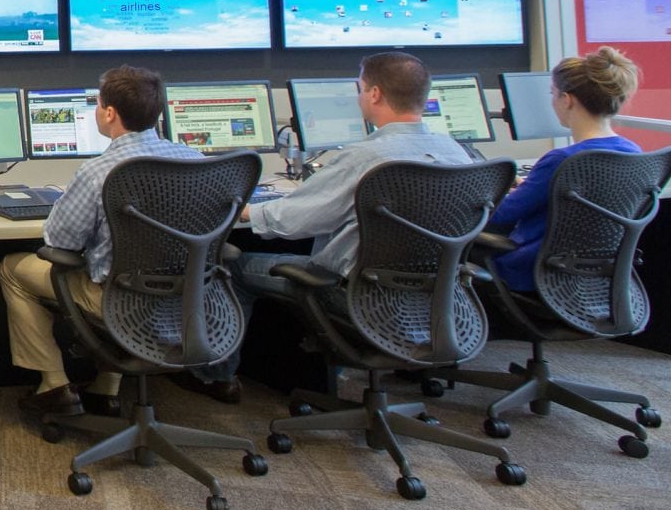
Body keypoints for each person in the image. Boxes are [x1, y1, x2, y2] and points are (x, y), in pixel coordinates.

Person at [186, 50, 471, 393]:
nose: (360, 95)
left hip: (354, 296)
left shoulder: (365, 157)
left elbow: (291, 221)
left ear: (375, 94)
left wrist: (243, 209)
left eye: (361, 88)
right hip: (433, 300)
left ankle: (216, 377)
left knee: (230, 267)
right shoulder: (457, 153)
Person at [0, 66, 199, 421]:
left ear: (109, 113)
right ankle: (105, 389)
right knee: (127, 269)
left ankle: (55, 385)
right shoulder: (195, 162)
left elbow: (60, 241)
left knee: (13, 268)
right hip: (187, 304)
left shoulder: (98, 171)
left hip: (117, 301)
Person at [486, 48, 643, 292]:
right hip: (600, 279)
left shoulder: (561, 160)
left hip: (536, 271)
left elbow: (499, 215)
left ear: (567, 99)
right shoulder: (633, 152)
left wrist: (486, 191)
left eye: (553, 94)